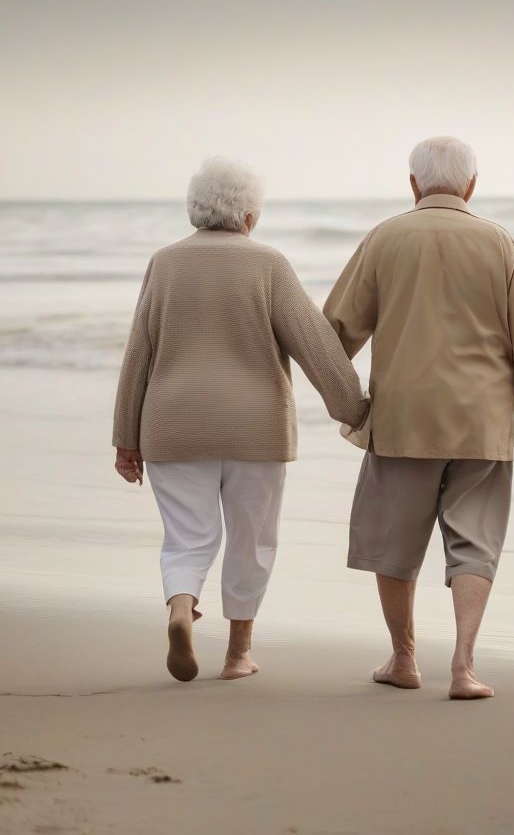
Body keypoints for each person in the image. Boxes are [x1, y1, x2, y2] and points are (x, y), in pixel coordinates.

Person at [112, 158, 369, 682]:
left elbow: (138, 352)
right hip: (257, 429)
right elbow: (315, 345)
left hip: (174, 424)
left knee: (187, 539)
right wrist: (355, 411)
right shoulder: (268, 264)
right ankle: (237, 656)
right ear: (250, 214)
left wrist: (125, 438)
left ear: (195, 209)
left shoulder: (164, 264)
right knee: (253, 539)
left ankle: (182, 608)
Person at [324, 136, 514, 700]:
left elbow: (334, 334)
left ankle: (404, 659)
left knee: (393, 542)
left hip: (403, 420)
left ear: (412, 185)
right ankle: (464, 665)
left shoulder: (385, 237)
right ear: (472, 185)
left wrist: (349, 407)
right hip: (480, 422)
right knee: (474, 544)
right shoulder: (498, 243)